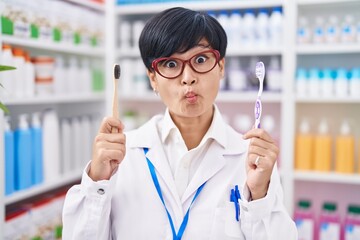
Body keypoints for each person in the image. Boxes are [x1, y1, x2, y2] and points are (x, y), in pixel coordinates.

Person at [62, 7, 297, 240]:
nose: (188, 78)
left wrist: (258, 197)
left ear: (221, 67)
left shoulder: (251, 158)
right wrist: (97, 182)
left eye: (201, 59)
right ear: (153, 78)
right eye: (171, 65)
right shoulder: (122, 157)